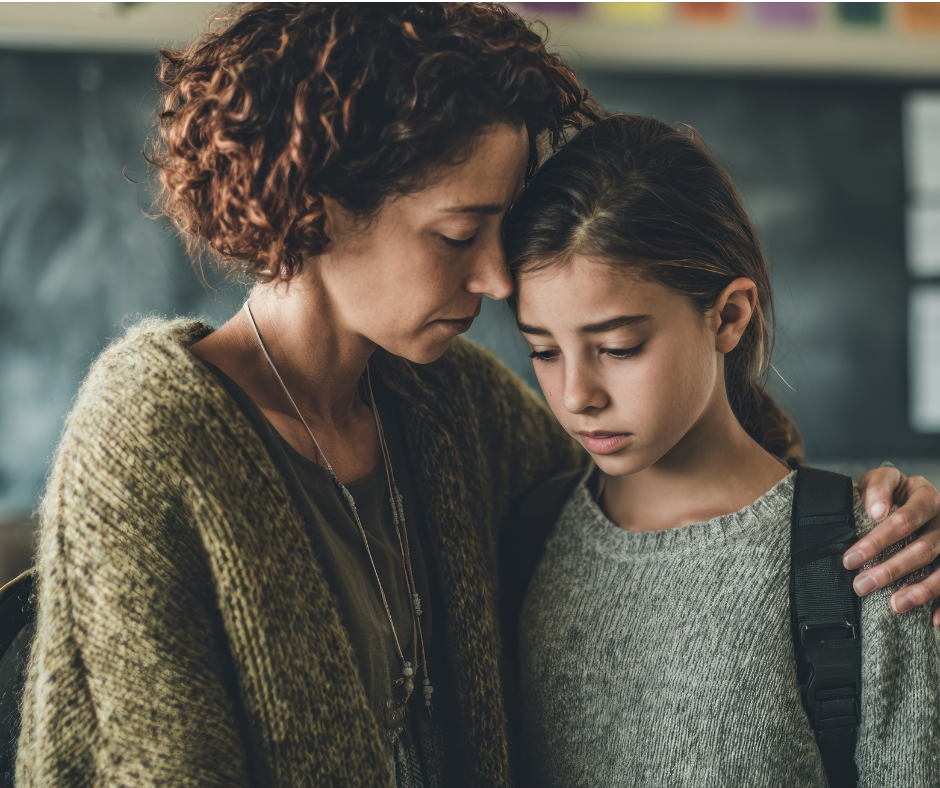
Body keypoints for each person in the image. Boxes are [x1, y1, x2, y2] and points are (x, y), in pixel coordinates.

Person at [13, 4, 940, 787]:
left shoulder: (454, 406)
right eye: (460, 234)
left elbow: (664, 502)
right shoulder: (151, 440)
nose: (499, 278)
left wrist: (888, 520)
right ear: (321, 204)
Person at [504, 114, 940, 787]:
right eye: (542, 350)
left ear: (729, 316)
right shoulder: (526, 538)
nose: (576, 394)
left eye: (619, 348)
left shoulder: (870, 559)